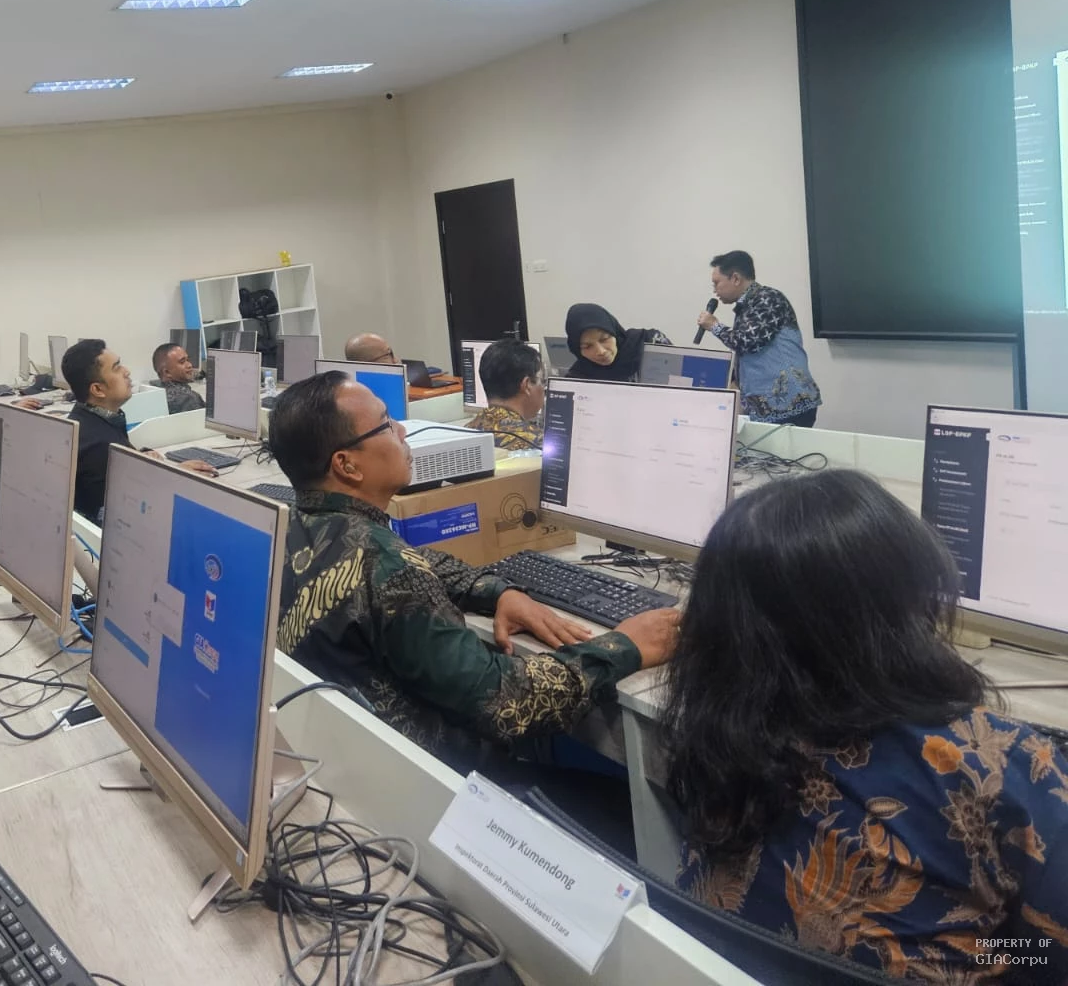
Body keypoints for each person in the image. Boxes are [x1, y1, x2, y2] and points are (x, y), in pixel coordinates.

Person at [660, 471, 1068, 983]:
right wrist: (986, 951)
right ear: (899, 609)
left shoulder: (721, 730)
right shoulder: (998, 762)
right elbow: (1050, 953)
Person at [268, 371, 679, 778]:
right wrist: (625, 646)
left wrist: (498, 592)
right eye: (386, 424)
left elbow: (416, 560)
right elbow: (509, 703)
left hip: (350, 764)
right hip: (444, 785)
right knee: (633, 796)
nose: (403, 432)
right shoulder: (388, 565)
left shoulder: (293, 526)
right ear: (347, 465)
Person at [61, 339, 216, 520]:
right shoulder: (100, 445)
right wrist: (178, 475)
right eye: (117, 368)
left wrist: (138, 458)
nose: (126, 371)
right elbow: (133, 505)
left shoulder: (87, 420)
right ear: (97, 389)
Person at [696, 250, 822, 427]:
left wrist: (714, 326)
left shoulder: (768, 299)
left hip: (790, 406)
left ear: (736, 278)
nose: (714, 290)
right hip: (767, 409)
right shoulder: (747, 305)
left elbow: (746, 341)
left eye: (717, 283)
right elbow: (749, 352)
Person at [464, 339, 545, 452]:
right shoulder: (539, 442)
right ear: (526, 385)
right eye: (543, 381)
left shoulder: (465, 432)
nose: (544, 388)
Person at [563, 303, 671, 382]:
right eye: (587, 346)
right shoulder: (577, 379)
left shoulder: (649, 341)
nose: (600, 351)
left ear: (614, 332)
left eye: (604, 339)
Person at [151, 342, 204, 414]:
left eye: (188, 360)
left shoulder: (154, 390)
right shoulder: (189, 399)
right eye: (182, 362)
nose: (189, 365)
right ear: (167, 372)